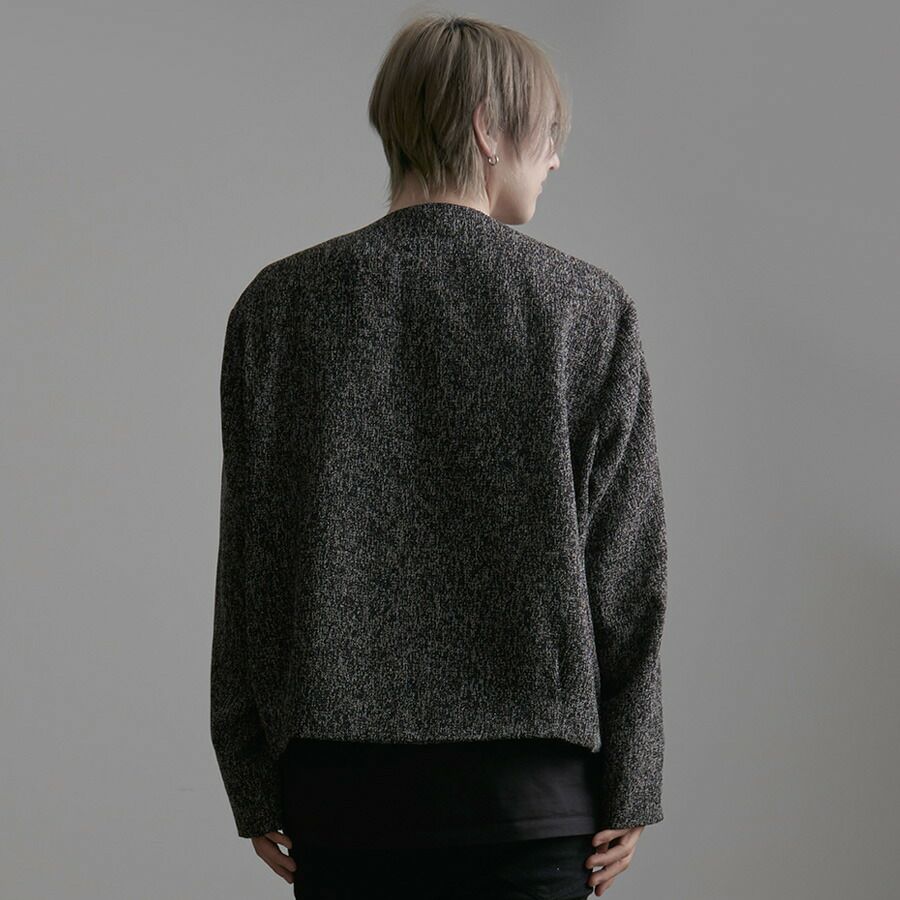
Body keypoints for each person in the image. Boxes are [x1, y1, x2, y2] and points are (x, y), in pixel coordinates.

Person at [210, 13, 668, 900]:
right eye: (549, 132)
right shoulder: (584, 306)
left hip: (341, 799)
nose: (557, 159)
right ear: (489, 126)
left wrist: (251, 774)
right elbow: (625, 572)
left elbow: (253, 565)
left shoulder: (278, 307)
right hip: (532, 802)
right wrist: (633, 776)